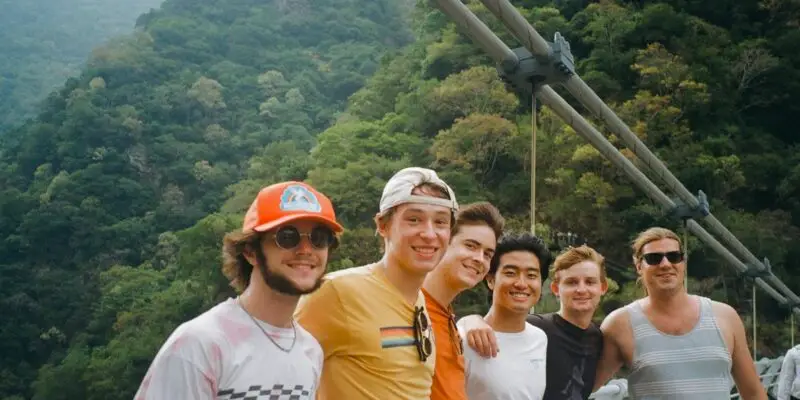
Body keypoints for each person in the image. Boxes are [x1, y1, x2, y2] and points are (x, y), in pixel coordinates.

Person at [134, 181, 344, 399]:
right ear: (250, 252)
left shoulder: (310, 351)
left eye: (319, 239)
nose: (306, 250)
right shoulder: (200, 345)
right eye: (287, 237)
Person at [295, 167, 459, 400]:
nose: (430, 233)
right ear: (383, 225)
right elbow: (277, 374)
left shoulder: (418, 300)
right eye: (414, 219)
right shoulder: (337, 292)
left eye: (441, 222)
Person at [594, 227, 767, 399]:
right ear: (639, 266)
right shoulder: (620, 324)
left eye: (674, 257)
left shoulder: (725, 317)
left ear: (683, 262)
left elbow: (753, 393)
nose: (665, 264)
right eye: (654, 258)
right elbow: (581, 385)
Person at [460, 244, 609, 400]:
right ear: (555, 289)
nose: (581, 289)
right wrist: (469, 321)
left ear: (603, 287)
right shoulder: (538, 327)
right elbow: (500, 327)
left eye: (590, 282)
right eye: (571, 282)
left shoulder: (597, 337)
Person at [422, 202, 505, 400]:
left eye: (487, 254)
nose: (479, 259)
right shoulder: (408, 307)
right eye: (471, 246)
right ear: (443, 242)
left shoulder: (448, 320)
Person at [456, 232, 552, 400]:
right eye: (510, 273)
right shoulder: (465, 338)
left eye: (531, 275)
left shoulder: (540, 339)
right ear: (491, 280)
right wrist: (466, 322)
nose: (522, 284)